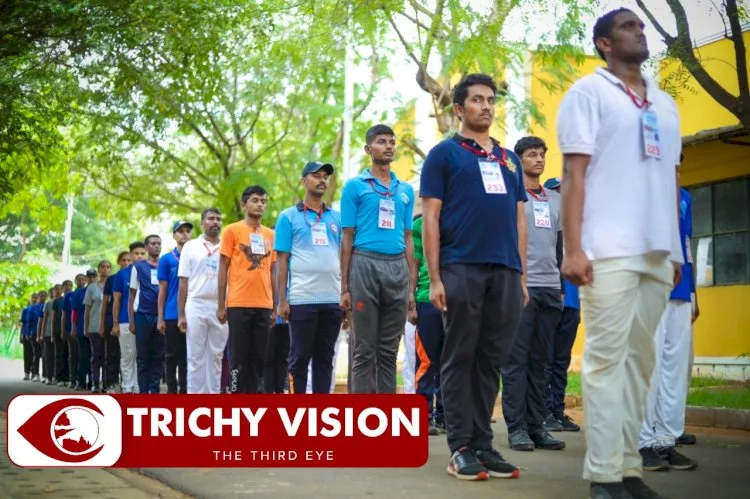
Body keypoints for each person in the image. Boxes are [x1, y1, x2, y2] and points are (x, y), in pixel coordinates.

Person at [557, 8, 683, 499]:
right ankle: (604, 476)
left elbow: (670, 178)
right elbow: (574, 174)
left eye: (642, 26)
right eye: (629, 26)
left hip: (657, 251)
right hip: (606, 250)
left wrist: (676, 252)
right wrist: (573, 248)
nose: (640, 32)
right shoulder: (588, 93)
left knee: (639, 365)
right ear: (604, 43)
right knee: (606, 362)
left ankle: (629, 469)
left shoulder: (665, 104)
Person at [421, 73, 526, 481]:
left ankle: (483, 444)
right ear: (458, 108)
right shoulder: (444, 154)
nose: (486, 106)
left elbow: (519, 218)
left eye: (491, 100)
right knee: (460, 355)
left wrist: (521, 275)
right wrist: (435, 278)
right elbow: (431, 216)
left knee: (490, 359)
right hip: (460, 266)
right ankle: (460, 447)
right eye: (478, 99)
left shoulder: (509, 159)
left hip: (505, 271)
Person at [340, 125, 416, 394]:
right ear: (368, 149)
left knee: (389, 351)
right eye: (381, 141)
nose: (388, 146)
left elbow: (408, 238)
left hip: (397, 267)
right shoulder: (354, 187)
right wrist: (345, 287)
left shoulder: (405, 190)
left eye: (392, 142)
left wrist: (410, 288)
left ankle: (387, 414)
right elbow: (347, 236)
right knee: (364, 350)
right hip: (364, 264)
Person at [501, 136, 566, 452]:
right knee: (516, 361)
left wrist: (562, 287)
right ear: (518, 160)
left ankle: (537, 426)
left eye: (542, 154)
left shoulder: (555, 200)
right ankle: (517, 429)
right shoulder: (511, 197)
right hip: (520, 288)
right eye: (531, 154)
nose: (538, 159)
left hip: (550, 289)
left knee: (541, 362)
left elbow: (560, 246)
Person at [638, 182, 699, 472]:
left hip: (680, 289)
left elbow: (685, 243)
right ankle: (641, 441)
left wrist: (693, 292)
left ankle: (665, 439)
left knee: (674, 371)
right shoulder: (639, 184)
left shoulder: (684, 197)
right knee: (648, 367)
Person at [275, 161, 344, 394]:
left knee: (325, 360)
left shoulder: (336, 218)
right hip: (302, 300)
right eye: (316, 175)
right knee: (299, 360)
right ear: (304, 181)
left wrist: (345, 295)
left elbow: (344, 259)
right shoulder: (288, 217)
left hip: (332, 301)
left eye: (325, 176)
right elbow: (282, 261)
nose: (322, 180)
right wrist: (282, 300)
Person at [218, 185, 277, 394]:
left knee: (258, 358)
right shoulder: (232, 231)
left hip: (264, 305)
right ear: (244, 204)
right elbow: (223, 268)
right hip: (238, 304)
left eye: (263, 201)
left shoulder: (271, 234)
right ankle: (235, 395)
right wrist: (221, 305)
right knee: (238, 358)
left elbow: (272, 271)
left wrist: (275, 306)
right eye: (255, 200)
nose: (260, 204)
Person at [541, 177, 582, 434]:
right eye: (556, 193)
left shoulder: (576, 229)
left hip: (573, 302)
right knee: (545, 358)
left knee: (561, 361)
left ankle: (557, 409)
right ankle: (543, 411)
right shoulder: (545, 229)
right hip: (552, 297)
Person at [177, 208, 229, 394]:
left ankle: (213, 395)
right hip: (196, 303)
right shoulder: (191, 246)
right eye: (211, 219)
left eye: (218, 219)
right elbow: (183, 282)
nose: (215, 222)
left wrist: (226, 306)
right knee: (195, 355)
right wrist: (181, 315)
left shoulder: (227, 245)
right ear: (202, 223)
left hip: (220, 306)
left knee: (216, 355)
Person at [411, 210, 445, 435]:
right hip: (426, 297)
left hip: (457, 298)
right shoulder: (419, 224)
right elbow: (414, 263)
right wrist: (411, 300)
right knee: (426, 361)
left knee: (451, 360)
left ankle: (445, 415)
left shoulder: (459, 217)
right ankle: (424, 415)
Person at [159, 221, 193, 394]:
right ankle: (171, 390)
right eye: (180, 231)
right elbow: (162, 291)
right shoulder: (166, 259)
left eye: (187, 231)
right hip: (172, 313)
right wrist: (160, 318)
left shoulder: (196, 256)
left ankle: (185, 390)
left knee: (188, 355)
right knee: (171, 355)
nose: (184, 234)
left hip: (193, 312)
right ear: (174, 236)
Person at [130, 234, 165, 394]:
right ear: (146, 247)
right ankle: (143, 391)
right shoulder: (138, 267)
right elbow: (132, 294)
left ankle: (154, 390)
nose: (156, 246)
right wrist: (131, 320)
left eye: (159, 243)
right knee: (143, 356)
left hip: (161, 316)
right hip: (143, 315)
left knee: (158, 355)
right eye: (153, 243)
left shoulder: (165, 265)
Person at [113, 242, 146, 394]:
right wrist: (115, 323)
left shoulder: (150, 271)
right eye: (136, 253)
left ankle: (139, 387)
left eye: (142, 253)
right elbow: (117, 300)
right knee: (127, 354)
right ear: (131, 255)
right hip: (125, 320)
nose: (139, 256)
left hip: (145, 320)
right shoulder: (122, 275)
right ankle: (127, 386)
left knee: (141, 355)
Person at [102, 252, 130, 393]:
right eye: (123, 260)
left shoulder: (135, 276)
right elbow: (105, 303)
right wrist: (102, 325)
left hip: (128, 320)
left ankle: (126, 383)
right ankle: (110, 383)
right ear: (119, 262)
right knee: (112, 353)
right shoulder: (112, 279)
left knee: (127, 354)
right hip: (111, 320)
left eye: (128, 260)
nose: (126, 263)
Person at [85, 262, 110, 393]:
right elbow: (87, 309)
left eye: (108, 267)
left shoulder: (113, 285)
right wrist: (86, 327)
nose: (105, 269)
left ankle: (106, 383)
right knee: (96, 355)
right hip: (94, 325)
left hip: (109, 325)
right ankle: (95, 383)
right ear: (99, 270)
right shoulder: (91, 287)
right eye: (102, 267)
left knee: (108, 356)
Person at [63, 275, 84, 389]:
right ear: (75, 281)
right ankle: (73, 379)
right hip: (71, 329)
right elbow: (65, 314)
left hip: (85, 328)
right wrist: (63, 330)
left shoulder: (88, 292)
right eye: (78, 279)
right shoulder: (69, 295)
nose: (81, 281)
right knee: (73, 355)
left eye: (83, 279)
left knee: (84, 355)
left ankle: (84, 380)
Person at [74, 272, 92, 391]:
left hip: (94, 329)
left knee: (93, 356)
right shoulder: (78, 293)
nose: (91, 279)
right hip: (81, 328)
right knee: (82, 355)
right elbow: (74, 311)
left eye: (93, 277)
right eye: (89, 277)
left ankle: (92, 381)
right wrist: (74, 326)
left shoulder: (98, 290)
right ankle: (81, 382)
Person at [52, 282, 68, 387]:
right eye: (66, 286)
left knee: (69, 354)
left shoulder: (72, 298)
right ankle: (59, 378)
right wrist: (53, 333)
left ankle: (68, 378)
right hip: (58, 330)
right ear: (62, 289)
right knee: (59, 354)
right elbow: (53, 318)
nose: (68, 288)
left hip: (69, 330)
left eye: (70, 286)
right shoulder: (57, 301)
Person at [40, 287, 56, 384]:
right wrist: (42, 333)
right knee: (48, 355)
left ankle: (55, 376)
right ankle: (47, 376)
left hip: (57, 332)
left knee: (56, 355)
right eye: (51, 292)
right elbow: (44, 319)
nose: (53, 293)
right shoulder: (48, 304)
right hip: (48, 332)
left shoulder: (61, 301)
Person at [20, 294, 37, 381]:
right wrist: (21, 335)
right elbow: (23, 323)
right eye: (32, 297)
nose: (34, 299)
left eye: (35, 297)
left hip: (34, 334)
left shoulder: (38, 309)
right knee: (27, 354)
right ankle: (26, 372)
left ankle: (34, 372)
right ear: (30, 299)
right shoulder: (25, 310)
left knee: (34, 354)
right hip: (25, 333)